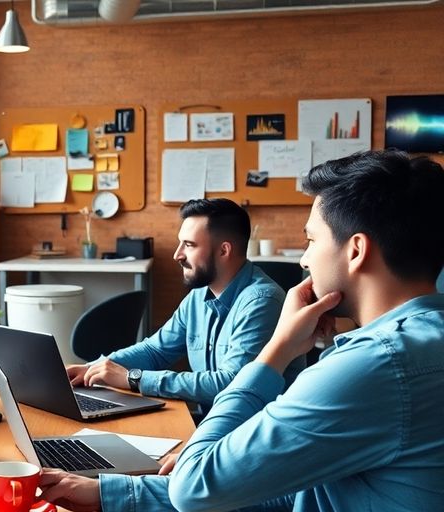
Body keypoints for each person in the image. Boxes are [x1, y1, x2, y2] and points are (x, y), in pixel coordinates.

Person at [37, 150, 444, 511]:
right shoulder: (421, 345)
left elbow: (193, 488)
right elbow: (301, 489)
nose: (304, 260)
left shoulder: (373, 367)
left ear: (355, 250)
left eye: (311, 240)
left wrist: (278, 349)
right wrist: (115, 495)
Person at [67, 198, 304, 410]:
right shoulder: (198, 297)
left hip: (250, 434)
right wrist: (93, 368)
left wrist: (134, 378)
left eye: (189, 245)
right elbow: (155, 350)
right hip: (215, 424)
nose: (177, 255)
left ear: (224, 250)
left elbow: (232, 382)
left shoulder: (261, 301)